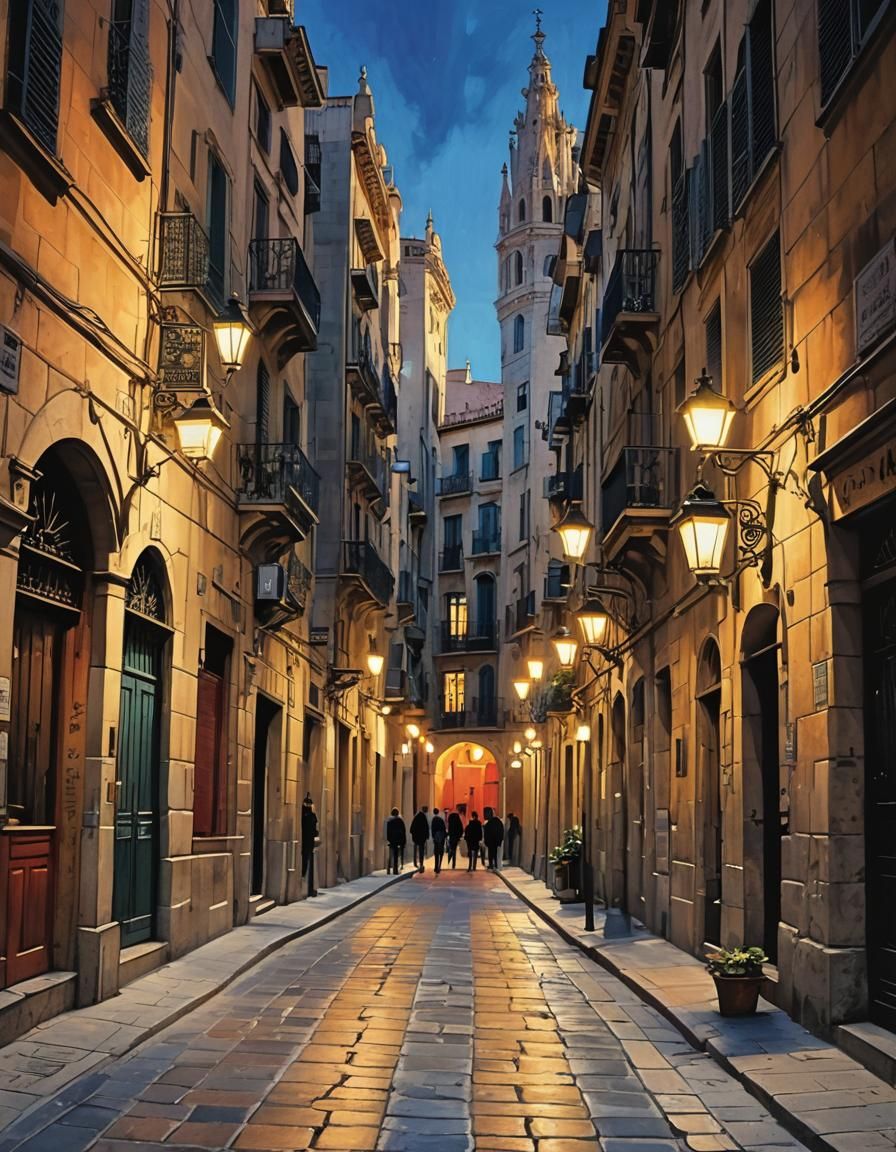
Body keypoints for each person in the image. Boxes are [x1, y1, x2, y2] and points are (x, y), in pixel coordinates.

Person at [301, 794, 319, 896]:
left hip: (306, 843)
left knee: (306, 862)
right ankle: (310, 889)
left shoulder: (305, 815)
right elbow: (315, 831)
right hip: (309, 843)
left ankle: (310, 888)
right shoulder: (312, 816)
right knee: (307, 862)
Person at [385, 807, 406, 875]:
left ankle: (388, 869)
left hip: (392, 841)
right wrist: (403, 841)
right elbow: (403, 831)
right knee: (396, 856)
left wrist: (389, 839)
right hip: (398, 840)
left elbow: (387, 832)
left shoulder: (389, 821)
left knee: (390, 855)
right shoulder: (400, 821)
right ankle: (395, 870)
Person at [410, 805, 430, 873]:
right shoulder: (423, 817)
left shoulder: (417, 816)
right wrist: (427, 836)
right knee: (421, 850)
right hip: (421, 837)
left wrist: (413, 834)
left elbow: (412, 827)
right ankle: (421, 863)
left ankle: (415, 862)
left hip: (416, 837)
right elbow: (426, 827)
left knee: (416, 849)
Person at [430, 807, 447, 874]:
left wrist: (433, 837)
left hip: (436, 838)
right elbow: (444, 828)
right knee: (441, 852)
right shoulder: (441, 819)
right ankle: (440, 865)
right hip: (442, 837)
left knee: (436, 852)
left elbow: (432, 829)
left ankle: (436, 866)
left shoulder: (433, 820)